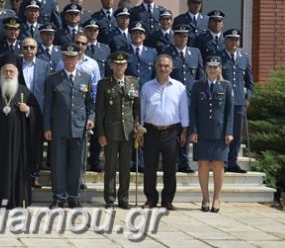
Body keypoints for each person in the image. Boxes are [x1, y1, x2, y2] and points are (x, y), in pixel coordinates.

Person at [0, 55, 40, 208]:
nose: (8, 74)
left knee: (18, 171)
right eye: (5, 71)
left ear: (17, 73)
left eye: (11, 71)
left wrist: (28, 110)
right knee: (0, 172)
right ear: (1, 73)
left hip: (19, 142)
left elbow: (37, 114)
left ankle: (18, 199)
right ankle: (1, 199)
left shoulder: (25, 92)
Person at [43, 43, 95, 208]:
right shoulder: (53, 79)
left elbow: (89, 103)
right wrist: (47, 128)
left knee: (76, 164)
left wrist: (90, 118)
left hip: (78, 128)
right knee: (58, 164)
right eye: (67, 57)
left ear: (78, 58)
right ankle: (58, 196)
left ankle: (73, 196)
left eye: (73, 57)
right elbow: (48, 106)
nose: (70, 60)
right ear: (63, 58)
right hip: (59, 127)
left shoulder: (85, 77)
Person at [139, 54, 190, 210]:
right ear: (156, 67)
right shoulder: (147, 87)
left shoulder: (179, 87)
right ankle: (151, 199)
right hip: (150, 131)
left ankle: (167, 200)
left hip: (171, 131)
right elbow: (141, 111)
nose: (163, 68)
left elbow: (184, 111)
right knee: (149, 168)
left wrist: (184, 131)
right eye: (160, 65)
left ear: (171, 68)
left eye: (166, 66)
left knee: (170, 168)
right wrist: (139, 132)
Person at [95, 52, 140, 209]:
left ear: (126, 66)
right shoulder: (104, 84)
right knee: (110, 167)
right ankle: (110, 198)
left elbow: (136, 109)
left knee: (125, 167)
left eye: (122, 64)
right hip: (111, 131)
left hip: (128, 132)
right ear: (112, 65)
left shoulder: (133, 83)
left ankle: (123, 198)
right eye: (116, 64)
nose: (119, 67)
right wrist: (100, 133)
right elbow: (99, 111)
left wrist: (137, 126)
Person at [190, 56, 234, 213]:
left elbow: (230, 111)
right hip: (201, 132)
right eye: (210, 67)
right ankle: (205, 198)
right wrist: (193, 130)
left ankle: (216, 198)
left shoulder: (226, 86)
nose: (213, 70)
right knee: (202, 164)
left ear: (220, 69)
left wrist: (229, 132)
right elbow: (193, 110)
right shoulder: (197, 86)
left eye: (216, 67)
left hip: (219, 133)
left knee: (218, 165)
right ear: (206, 69)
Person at [165, 25, 204, 173]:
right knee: (173, 130)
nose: (182, 38)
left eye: (185, 36)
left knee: (186, 130)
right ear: (175, 36)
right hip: (172, 97)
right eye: (180, 35)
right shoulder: (168, 53)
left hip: (189, 98)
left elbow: (200, 75)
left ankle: (183, 160)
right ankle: (173, 161)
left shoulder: (195, 53)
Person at [220, 28, 254, 173]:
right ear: (225, 41)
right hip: (222, 102)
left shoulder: (244, 57)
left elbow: (249, 80)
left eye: (236, 40)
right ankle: (222, 161)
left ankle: (232, 162)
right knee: (221, 132)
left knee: (236, 133)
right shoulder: (219, 56)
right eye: (231, 39)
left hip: (239, 102)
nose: (234, 42)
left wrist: (249, 96)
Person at [18, 38, 50, 189]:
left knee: (36, 145)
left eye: (32, 47)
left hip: (38, 112)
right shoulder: (16, 65)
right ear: (21, 48)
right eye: (26, 47)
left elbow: (47, 90)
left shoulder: (44, 66)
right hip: (19, 109)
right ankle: (21, 173)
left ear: (37, 49)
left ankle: (34, 175)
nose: (29, 50)